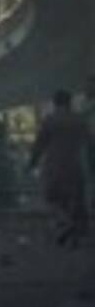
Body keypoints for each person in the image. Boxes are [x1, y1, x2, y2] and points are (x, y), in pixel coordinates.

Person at [29, 90, 90, 248]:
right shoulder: (79, 120)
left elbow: (39, 144)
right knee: (74, 201)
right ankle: (73, 236)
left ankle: (64, 224)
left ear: (55, 103)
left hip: (54, 165)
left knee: (51, 197)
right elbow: (90, 141)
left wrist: (32, 163)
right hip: (76, 164)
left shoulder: (50, 120)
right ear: (69, 102)